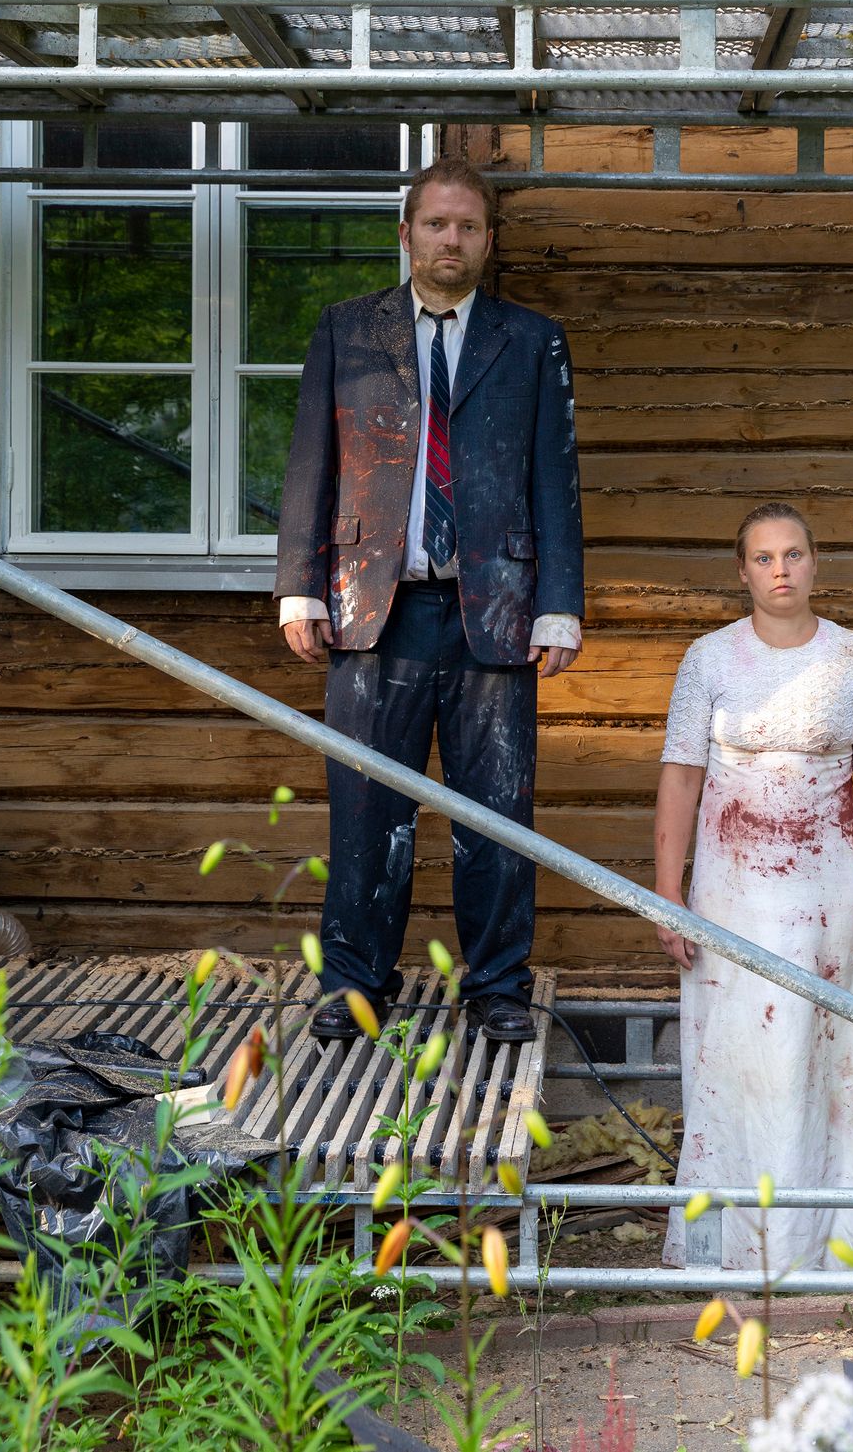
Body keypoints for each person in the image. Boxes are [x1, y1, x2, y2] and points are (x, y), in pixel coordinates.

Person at [276, 157, 584, 1046]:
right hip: (373, 607)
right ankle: (355, 986)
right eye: (437, 224)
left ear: (488, 238)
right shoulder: (348, 331)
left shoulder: (530, 341)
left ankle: (495, 987)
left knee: (498, 812)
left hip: (499, 610)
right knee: (366, 807)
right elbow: (310, 462)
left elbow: (554, 476)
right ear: (406, 232)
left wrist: (559, 602)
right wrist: (300, 584)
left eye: (469, 226)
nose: (453, 240)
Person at [653, 501, 853, 1272]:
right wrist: (667, 891)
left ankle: (827, 1246)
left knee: (825, 1062)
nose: (781, 570)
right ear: (743, 571)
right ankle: (731, 1247)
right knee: (734, 1062)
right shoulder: (709, 659)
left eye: (793, 554)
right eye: (764, 558)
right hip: (730, 896)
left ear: (815, 561)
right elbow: (682, 775)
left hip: (829, 893)